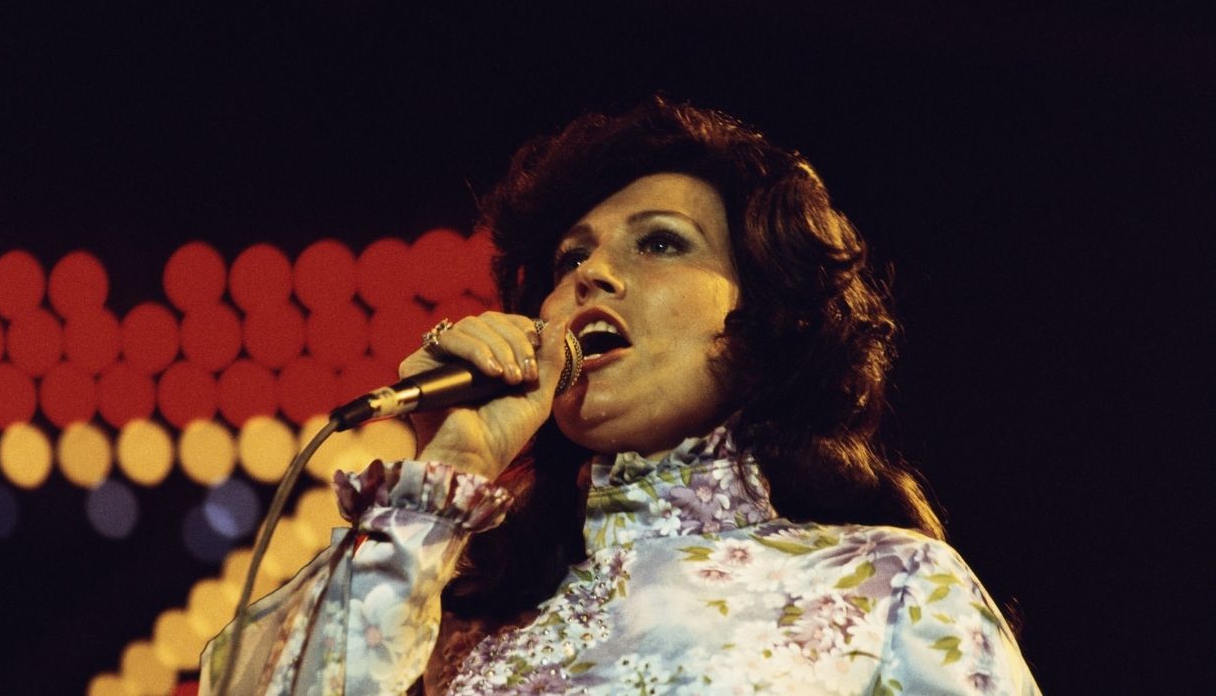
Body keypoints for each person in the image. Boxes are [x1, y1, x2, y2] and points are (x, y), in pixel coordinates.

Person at [200, 97, 1040, 694]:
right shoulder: (463, 611)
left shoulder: (889, 585)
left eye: (661, 244)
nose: (592, 274)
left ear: (765, 320)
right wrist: (452, 461)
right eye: (569, 260)